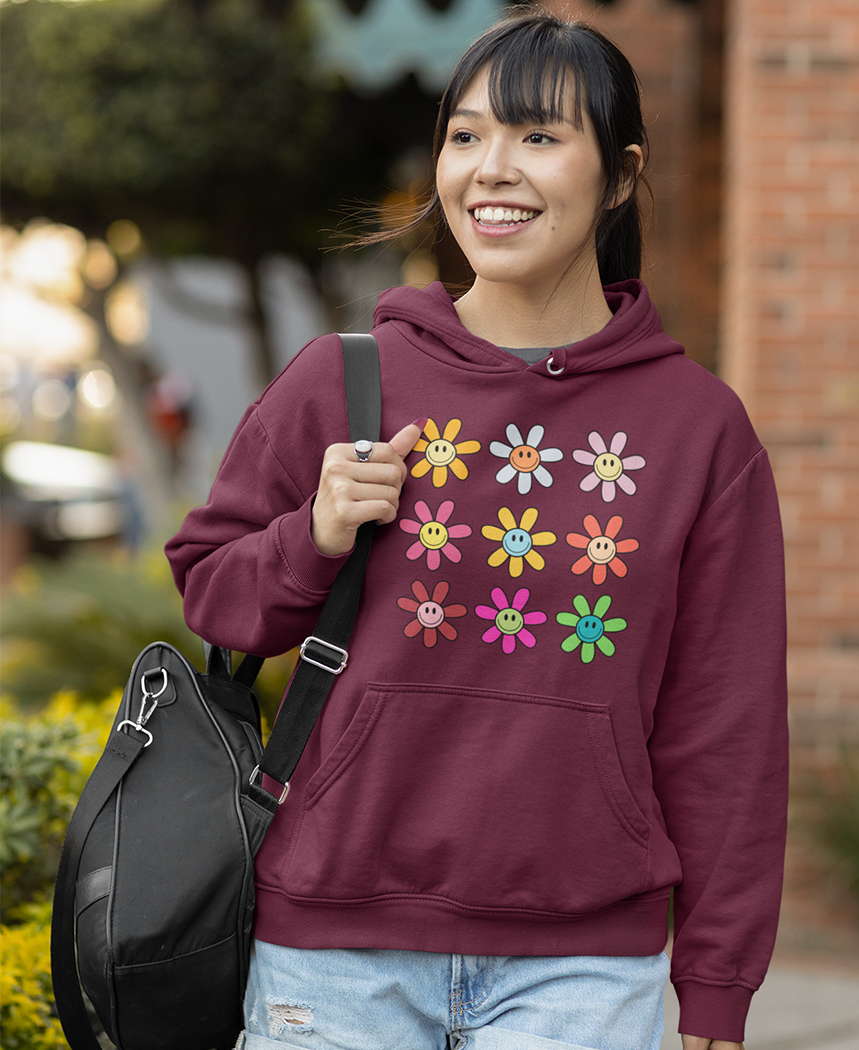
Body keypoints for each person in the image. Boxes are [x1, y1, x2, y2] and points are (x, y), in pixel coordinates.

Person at [166, 10, 787, 1050]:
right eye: (465, 136)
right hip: (334, 944)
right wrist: (311, 534)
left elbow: (724, 723)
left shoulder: (697, 428)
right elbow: (211, 593)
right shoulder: (345, 378)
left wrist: (717, 977)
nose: (489, 170)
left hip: (585, 963)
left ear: (620, 174)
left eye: (538, 137)